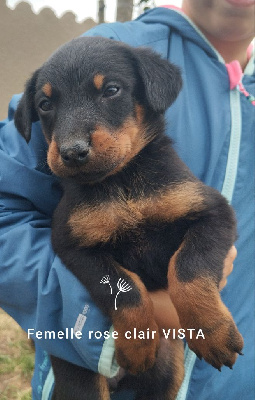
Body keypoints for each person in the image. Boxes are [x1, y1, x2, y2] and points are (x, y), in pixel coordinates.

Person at [0, 1, 254, 399]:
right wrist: (128, 306)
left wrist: (192, 290)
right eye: (48, 106)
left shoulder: (166, 167)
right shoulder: (114, 43)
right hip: (86, 361)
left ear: (151, 95)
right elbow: (77, 253)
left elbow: (213, 217)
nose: (71, 143)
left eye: (110, 92)